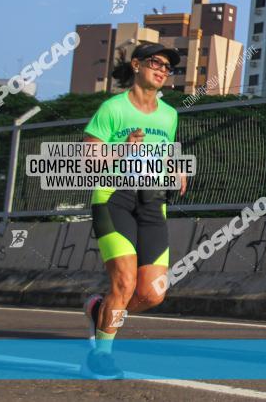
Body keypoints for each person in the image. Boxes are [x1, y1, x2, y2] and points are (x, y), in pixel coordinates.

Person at [81, 43, 184, 379]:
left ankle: (101, 311)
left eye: (168, 67)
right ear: (137, 65)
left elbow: (166, 151)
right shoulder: (113, 109)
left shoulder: (170, 115)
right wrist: (121, 150)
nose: (163, 69)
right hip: (115, 198)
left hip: (153, 201)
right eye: (156, 62)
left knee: (153, 293)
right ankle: (100, 356)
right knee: (124, 283)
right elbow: (86, 159)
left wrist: (177, 167)